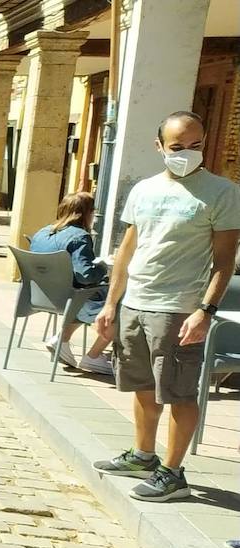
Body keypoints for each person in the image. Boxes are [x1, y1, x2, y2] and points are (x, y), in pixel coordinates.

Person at [92, 111, 240, 502]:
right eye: (177, 147)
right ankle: (143, 455)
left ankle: (173, 473)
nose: (187, 154)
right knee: (140, 385)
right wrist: (111, 303)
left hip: (179, 308)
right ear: (159, 147)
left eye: (195, 146)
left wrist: (204, 311)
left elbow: (225, 260)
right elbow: (127, 250)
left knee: (179, 392)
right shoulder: (143, 190)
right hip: (135, 303)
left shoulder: (222, 193)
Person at [29, 191, 113, 374]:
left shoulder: (41, 233)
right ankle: (94, 356)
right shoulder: (80, 237)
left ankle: (62, 339)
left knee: (84, 294)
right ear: (86, 214)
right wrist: (103, 267)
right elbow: (85, 276)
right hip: (70, 300)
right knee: (120, 307)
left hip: (41, 296)